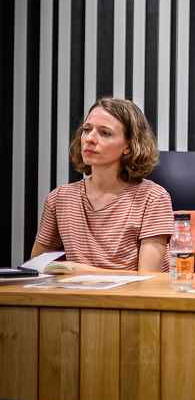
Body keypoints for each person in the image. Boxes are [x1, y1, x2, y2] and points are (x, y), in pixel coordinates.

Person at [31, 98, 173, 273]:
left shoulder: (153, 198)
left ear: (129, 146)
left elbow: (148, 279)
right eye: (86, 130)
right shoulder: (59, 198)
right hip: (74, 291)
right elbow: (34, 268)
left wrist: (79, 270)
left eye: (105, 133)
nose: (90, 138)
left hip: (134, 292)